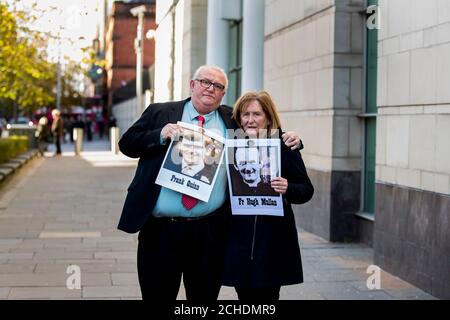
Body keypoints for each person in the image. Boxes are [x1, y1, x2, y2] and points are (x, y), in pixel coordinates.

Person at [117, 65, 302, 305]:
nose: (210, 89)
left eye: (218, 86)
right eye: (205, 82)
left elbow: (261, 131)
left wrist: (292, 139)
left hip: (209, 233)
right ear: (192, 85)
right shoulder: (160, 112)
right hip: (161, 232)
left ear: (223, 94)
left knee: (203, 301)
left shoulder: (231, 120)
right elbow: (127, 144)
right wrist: (159, 134)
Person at [222, 90, 314, 301]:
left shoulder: (285, 146)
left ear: (269, 117)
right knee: (244, 298)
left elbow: (306, 190)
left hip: (272, 243)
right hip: (238, 241)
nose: (250, 120)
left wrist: (288, 187)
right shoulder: (231, 146)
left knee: (268, 297)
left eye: (257, 114)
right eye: (245, 115)